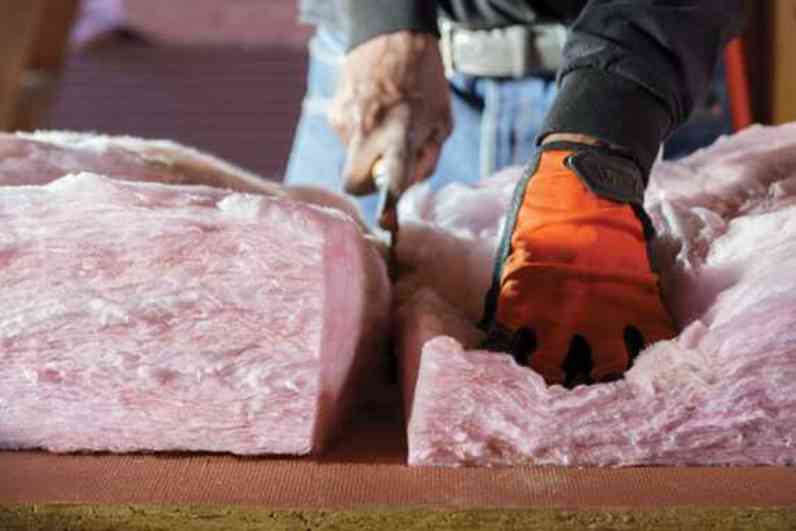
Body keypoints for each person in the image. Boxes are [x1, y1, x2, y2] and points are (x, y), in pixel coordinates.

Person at [287, 1, 744, 386]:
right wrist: (382, 16)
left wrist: (602, 136)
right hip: (377, 66)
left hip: (637, 81)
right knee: (292, 369)